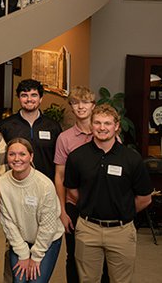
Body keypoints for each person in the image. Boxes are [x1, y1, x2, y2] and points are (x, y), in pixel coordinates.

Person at [64, 105, 153, 283]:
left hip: (121, 231)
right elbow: (72, 191)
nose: (102, 127)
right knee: (88, 280)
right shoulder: (76, 157)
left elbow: (144, 198)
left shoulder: (132, 158)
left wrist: (122, 209)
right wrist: (93, 204)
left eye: (107, 123)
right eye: (97, 122)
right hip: (88, 230)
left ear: (116, 126)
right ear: (91, 125)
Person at [0, 138, 64, 283]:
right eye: (12, 154)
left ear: (31, 156)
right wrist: (23, 254)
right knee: (19, 280)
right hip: (20, 239)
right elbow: (7, 222)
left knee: (36, 281)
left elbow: (48, 227)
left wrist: (35, 257)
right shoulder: (1, 184)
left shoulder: (45, 185)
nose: (17, 159)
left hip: (47, 241)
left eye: (22, 154)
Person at [53, 86, 96, 283]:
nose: (80, 107)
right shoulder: (65, 138)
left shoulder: (106, 132)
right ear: (71, 107)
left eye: (85, 102)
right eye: (76, 102)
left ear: (93, 105)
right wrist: (62, 210)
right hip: (74, 206)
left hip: (99, 206)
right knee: (74, 256)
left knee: (99, 259)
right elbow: (59, 176)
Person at [0, 79, 61, 181]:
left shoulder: (53, 126)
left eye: (34, 95)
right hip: (14, 183)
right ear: (19, 98)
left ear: (41, 98)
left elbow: (59, 161)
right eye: (24, 95)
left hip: (45, 184)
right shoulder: (5, 125)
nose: (29, 99)